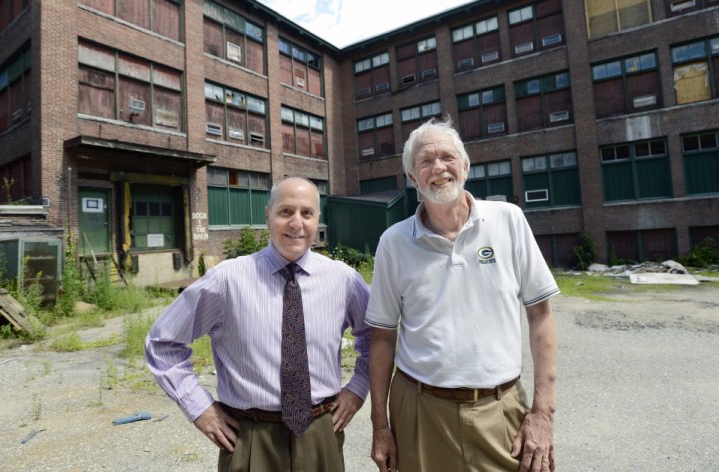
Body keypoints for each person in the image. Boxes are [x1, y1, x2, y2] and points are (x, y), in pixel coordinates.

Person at [366, 118, 559, 472]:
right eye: (425, 161)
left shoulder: (509, 221)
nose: (438, 167)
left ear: (466, 167)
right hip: (420, 412)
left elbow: (541, 314)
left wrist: (542, 412)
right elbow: (382, 337)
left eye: (447, 157)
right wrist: (380, 426)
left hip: (500, 408)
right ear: (412, 179)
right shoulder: (393, 243)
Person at [145, 177, 372, 472]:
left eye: (307, 213)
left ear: (318, 219)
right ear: (268, 215)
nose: (296, 223)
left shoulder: (343, 280)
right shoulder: (227, 281)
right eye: (285, 212)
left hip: (320, 433)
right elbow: (163, 343)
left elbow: (374, 337)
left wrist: (358, 387)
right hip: (251, 437)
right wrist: (199, 407)